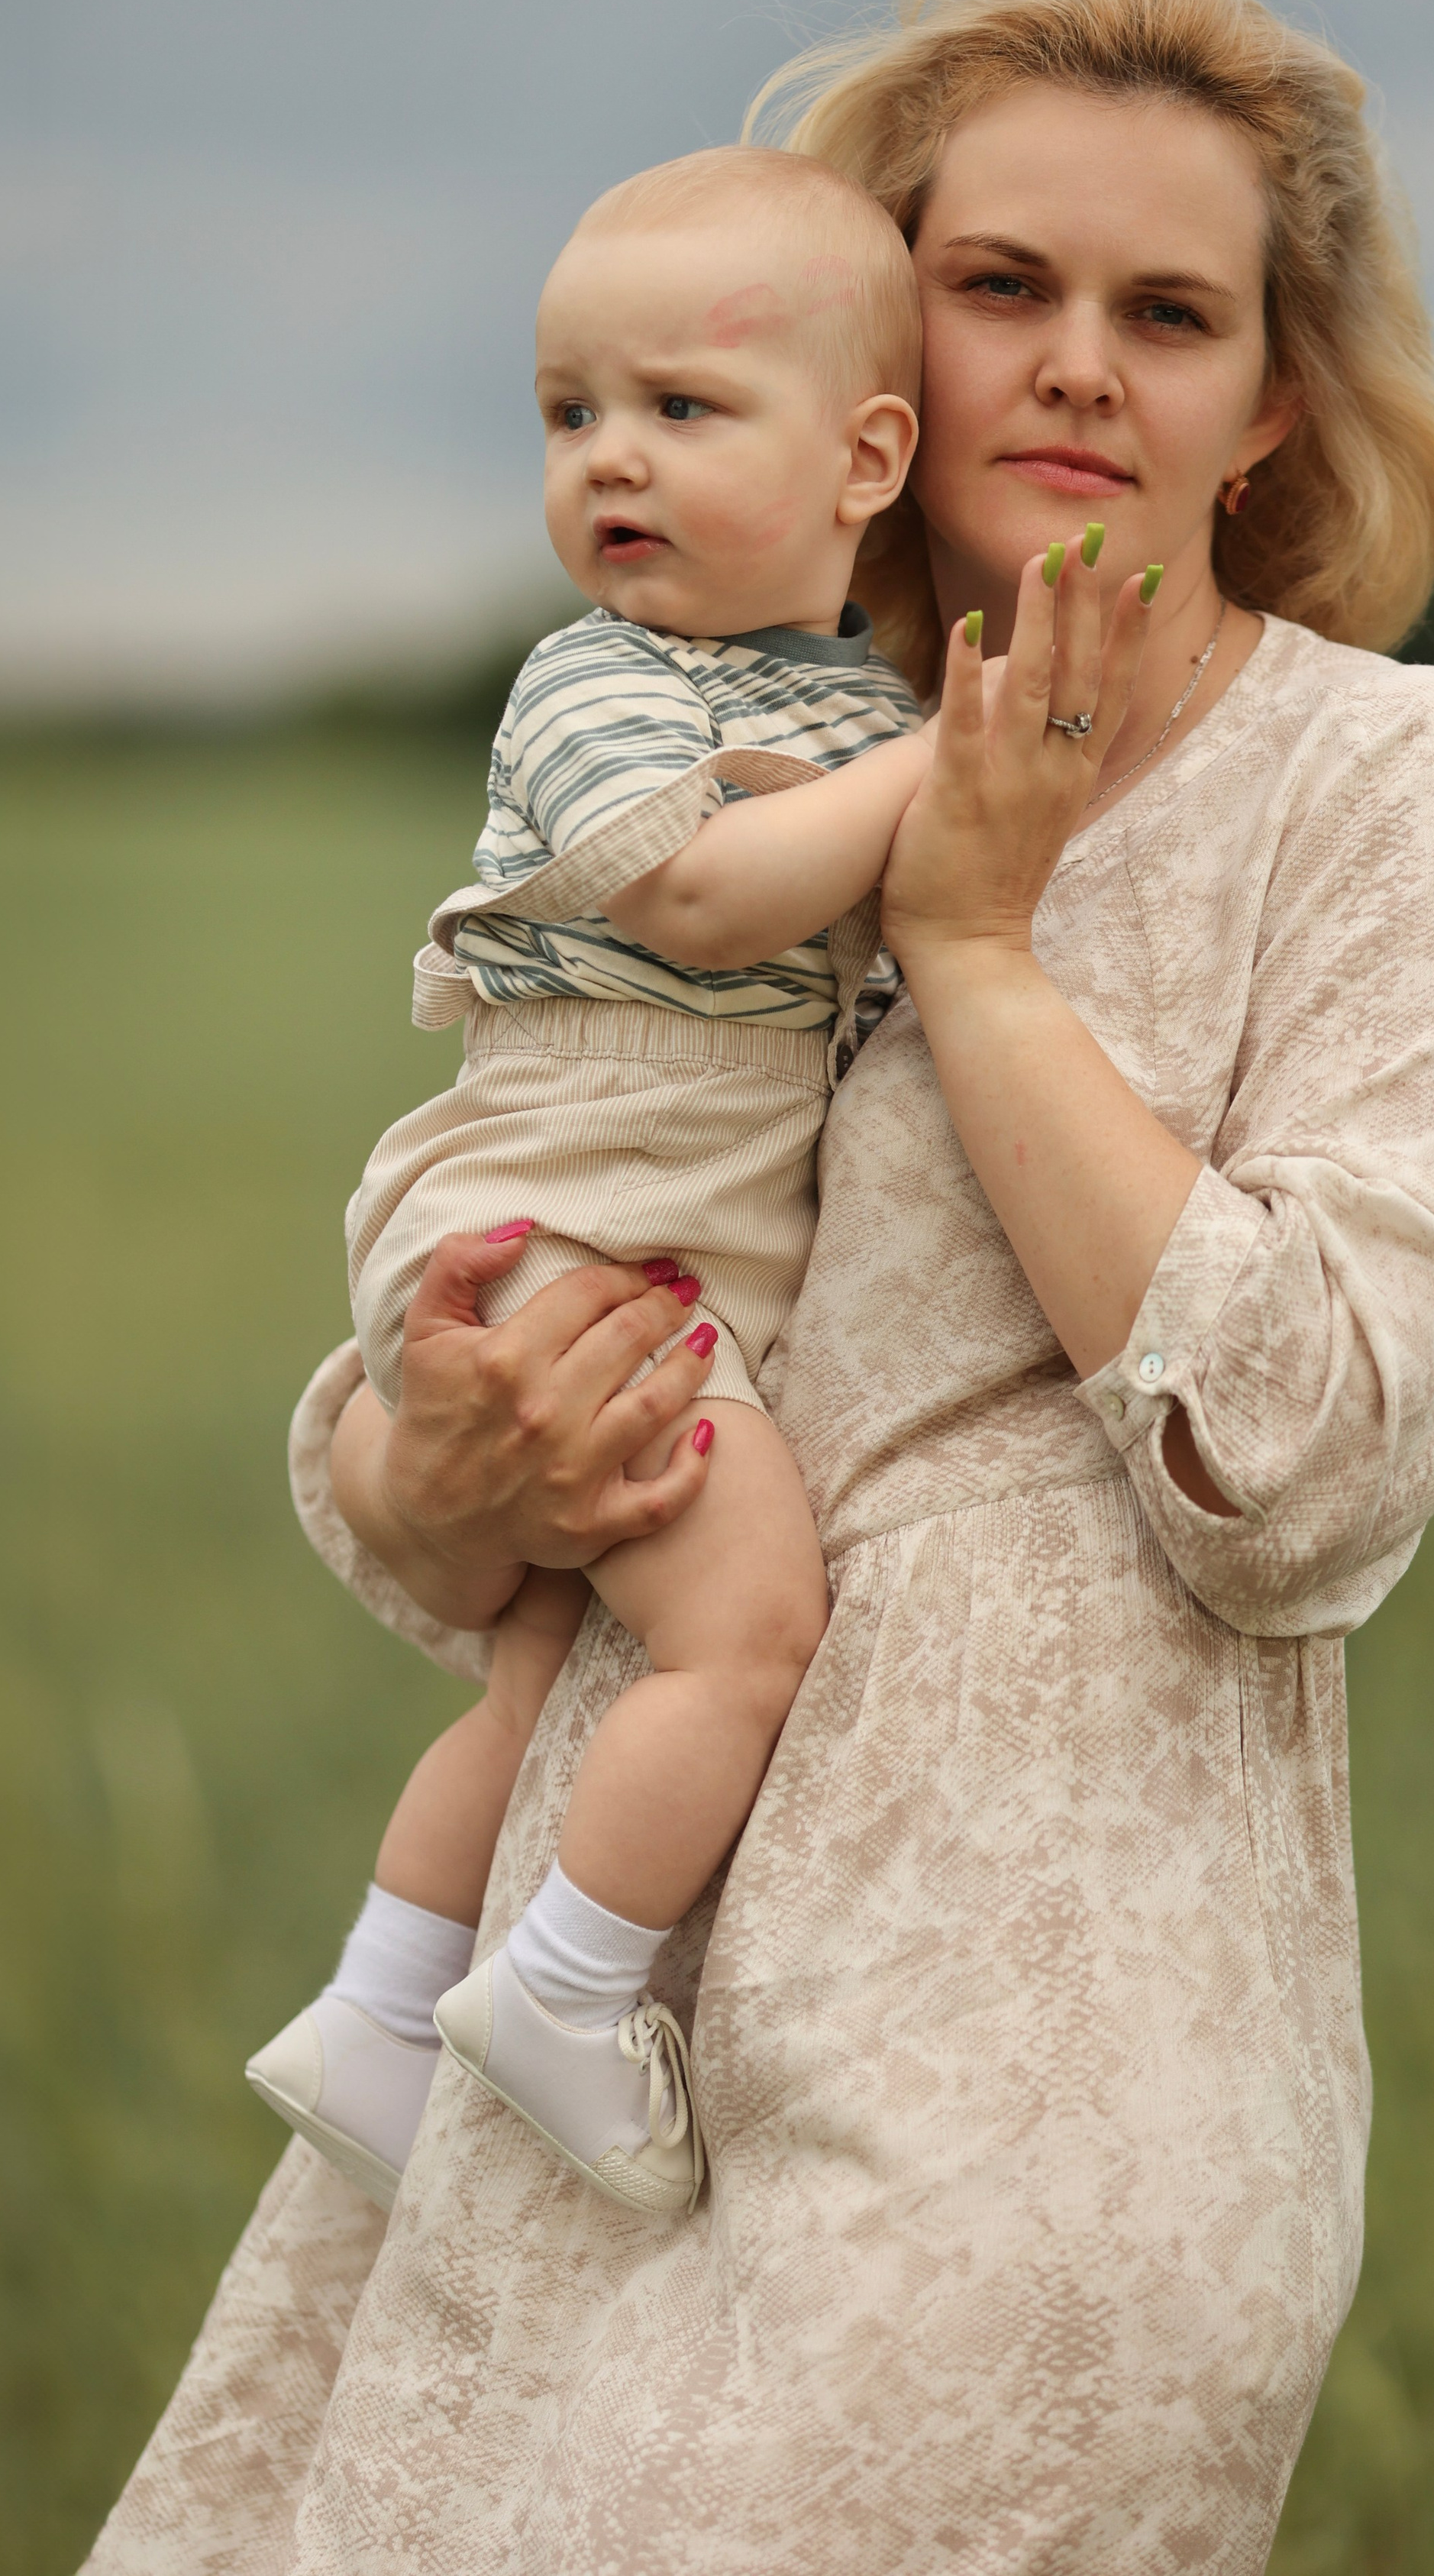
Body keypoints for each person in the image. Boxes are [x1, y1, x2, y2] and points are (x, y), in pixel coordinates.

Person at [89, 0, 1434, 2575]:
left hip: (1037, 2067)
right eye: (1004, 286)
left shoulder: (1390, 778)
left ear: (1270, 403)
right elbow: (473, 1376)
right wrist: (445, 1460)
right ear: (884, 359)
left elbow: (1318, 1457)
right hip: (574, 2039)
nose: (1080, 366)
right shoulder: (736, 725)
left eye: (1171, 313)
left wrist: (975, 948)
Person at [244, 142, 1071, 2221]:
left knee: (553, 1681)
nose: (610, 457)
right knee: (748, 1631)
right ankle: (565, 1992)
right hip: (567, 1211)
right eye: (570, 412)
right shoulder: (597, 678)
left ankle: (376, 2011)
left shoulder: (847, 697)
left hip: (655, 1216)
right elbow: (699, 897)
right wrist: (949, 760)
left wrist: (912, 752)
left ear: (865, 457)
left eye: (680, 409)